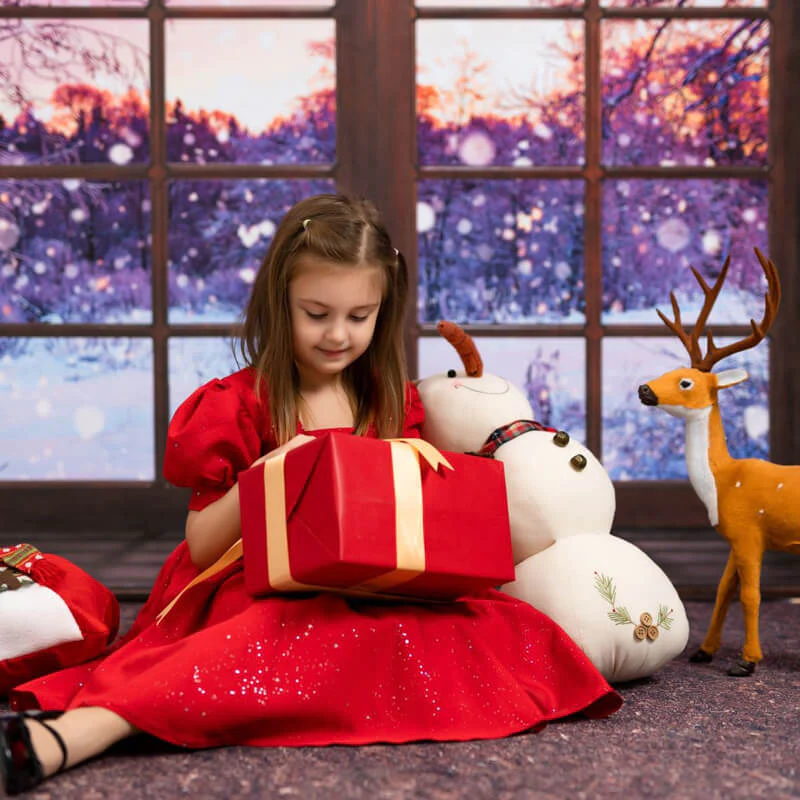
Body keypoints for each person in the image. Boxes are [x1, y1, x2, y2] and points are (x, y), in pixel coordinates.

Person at [1, 193, 621, 795]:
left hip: (368, 584)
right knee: (275, 632)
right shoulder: (239, 403)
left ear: (383, 310)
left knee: (469, 630)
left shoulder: (391, 401)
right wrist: (272, 473)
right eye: (316, 314)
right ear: (280, 304)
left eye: (359, 316)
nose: (338, 335)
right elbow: (202, 544)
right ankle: (87, 730)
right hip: (256, 580)